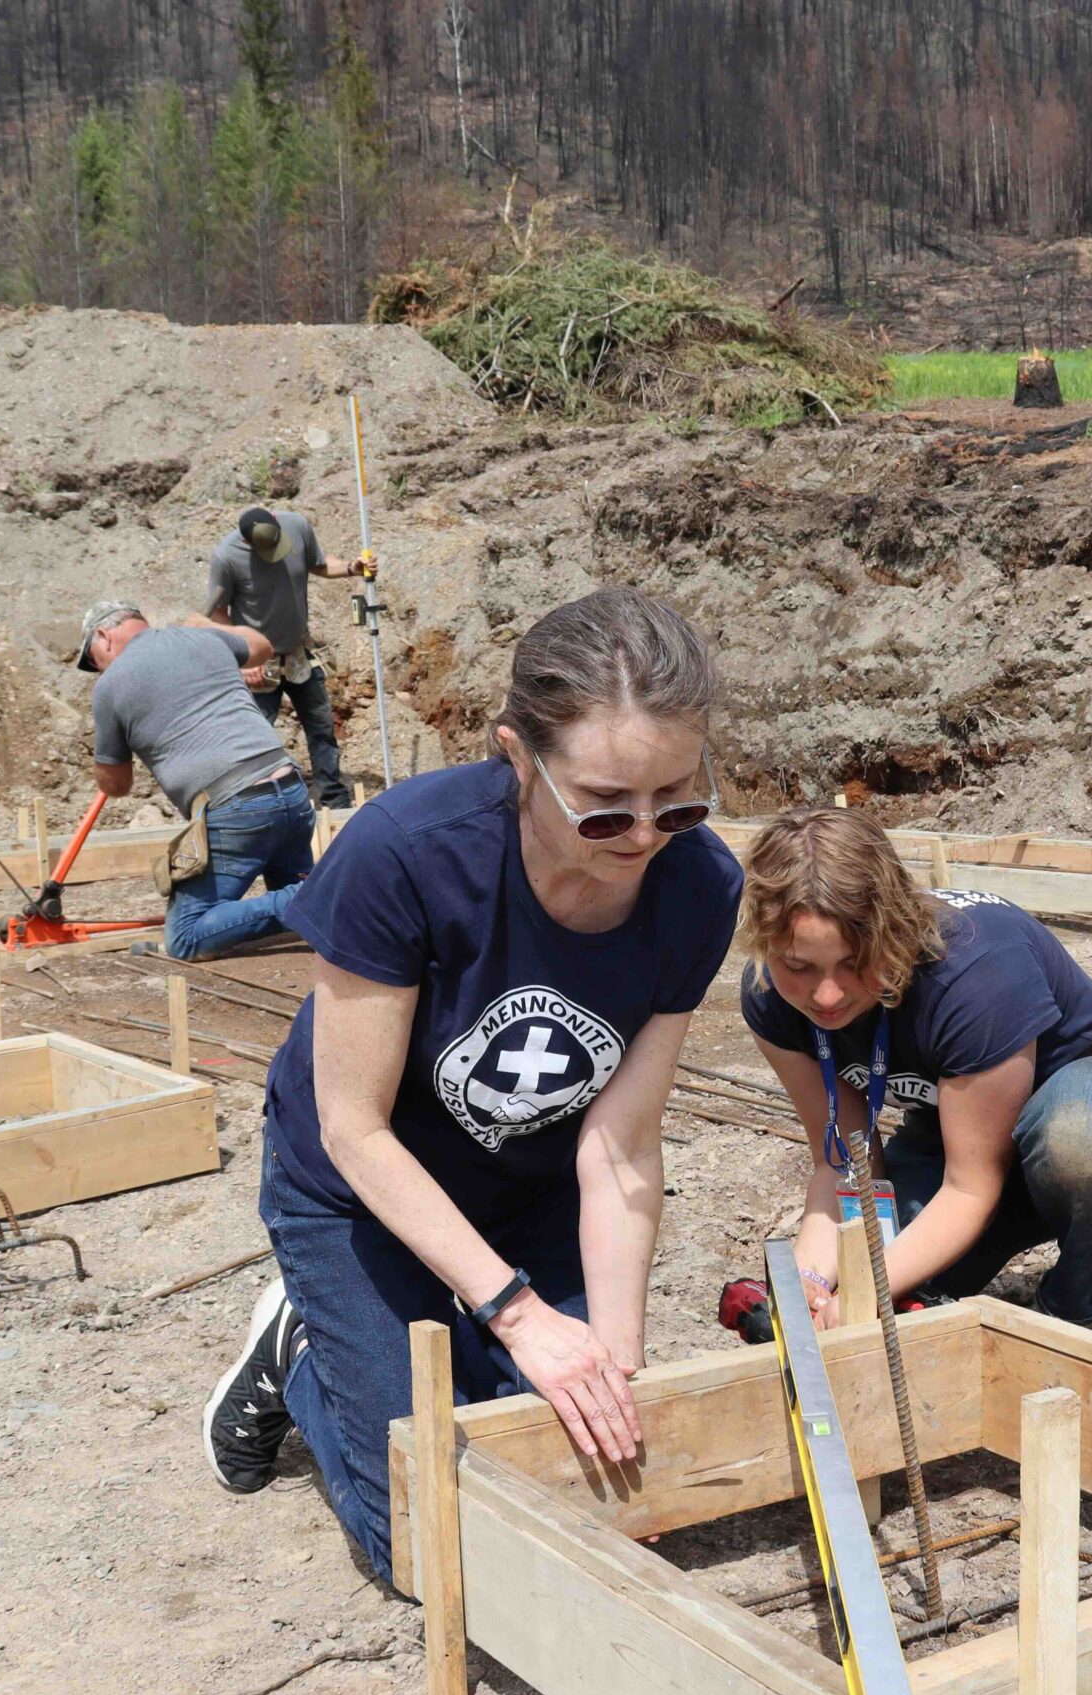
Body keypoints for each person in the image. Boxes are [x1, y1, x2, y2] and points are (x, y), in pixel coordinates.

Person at [201, 587, 740, 1582]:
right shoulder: (404, 854)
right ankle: (306, 1362)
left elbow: (619, 1146)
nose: (644, 836)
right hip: (360, 1191)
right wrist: (522, 1318)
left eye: (680, 799)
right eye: (604, 807)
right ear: (514, 758)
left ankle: (436, 1351)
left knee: (590, 1494)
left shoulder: (700, 886)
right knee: (430, 1551)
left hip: (529, 1191)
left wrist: (611, 1359)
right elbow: (353, 1128)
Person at [739, 807, 1092, 1330]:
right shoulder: (770, 997)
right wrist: (811, 1282)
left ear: (893, 928)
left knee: (1082, 1133)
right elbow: (844, 1165)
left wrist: (869, 1287)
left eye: (853, 962)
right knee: (872, 1276)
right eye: (799, 967)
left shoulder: (975, 973)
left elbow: (969, 1187)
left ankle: (1074, 1313)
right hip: (965, 1144)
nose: (826, 995)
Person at [77, 598, 314, 961]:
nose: (98, 670)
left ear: (104, 636)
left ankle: (321, 896)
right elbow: (263, 647)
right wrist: (209, 624)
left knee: (186, 937)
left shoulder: (110, 686)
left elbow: (116, 786)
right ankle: (318, 899)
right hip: (292, 792)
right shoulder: (202, 639)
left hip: (238, 809)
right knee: (308, 918)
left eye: (93, 660)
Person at [204, 505, 364, 809]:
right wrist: (243, 658)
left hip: (298, 651)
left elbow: (318, 565)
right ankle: (252, 802)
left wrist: (350, 568)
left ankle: (332, 795)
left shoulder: (297, 526)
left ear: (276, 521)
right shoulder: (226, 557)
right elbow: (216, 614)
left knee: (321, 726)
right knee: (255, 736)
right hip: (259, 663)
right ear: (247, 542)